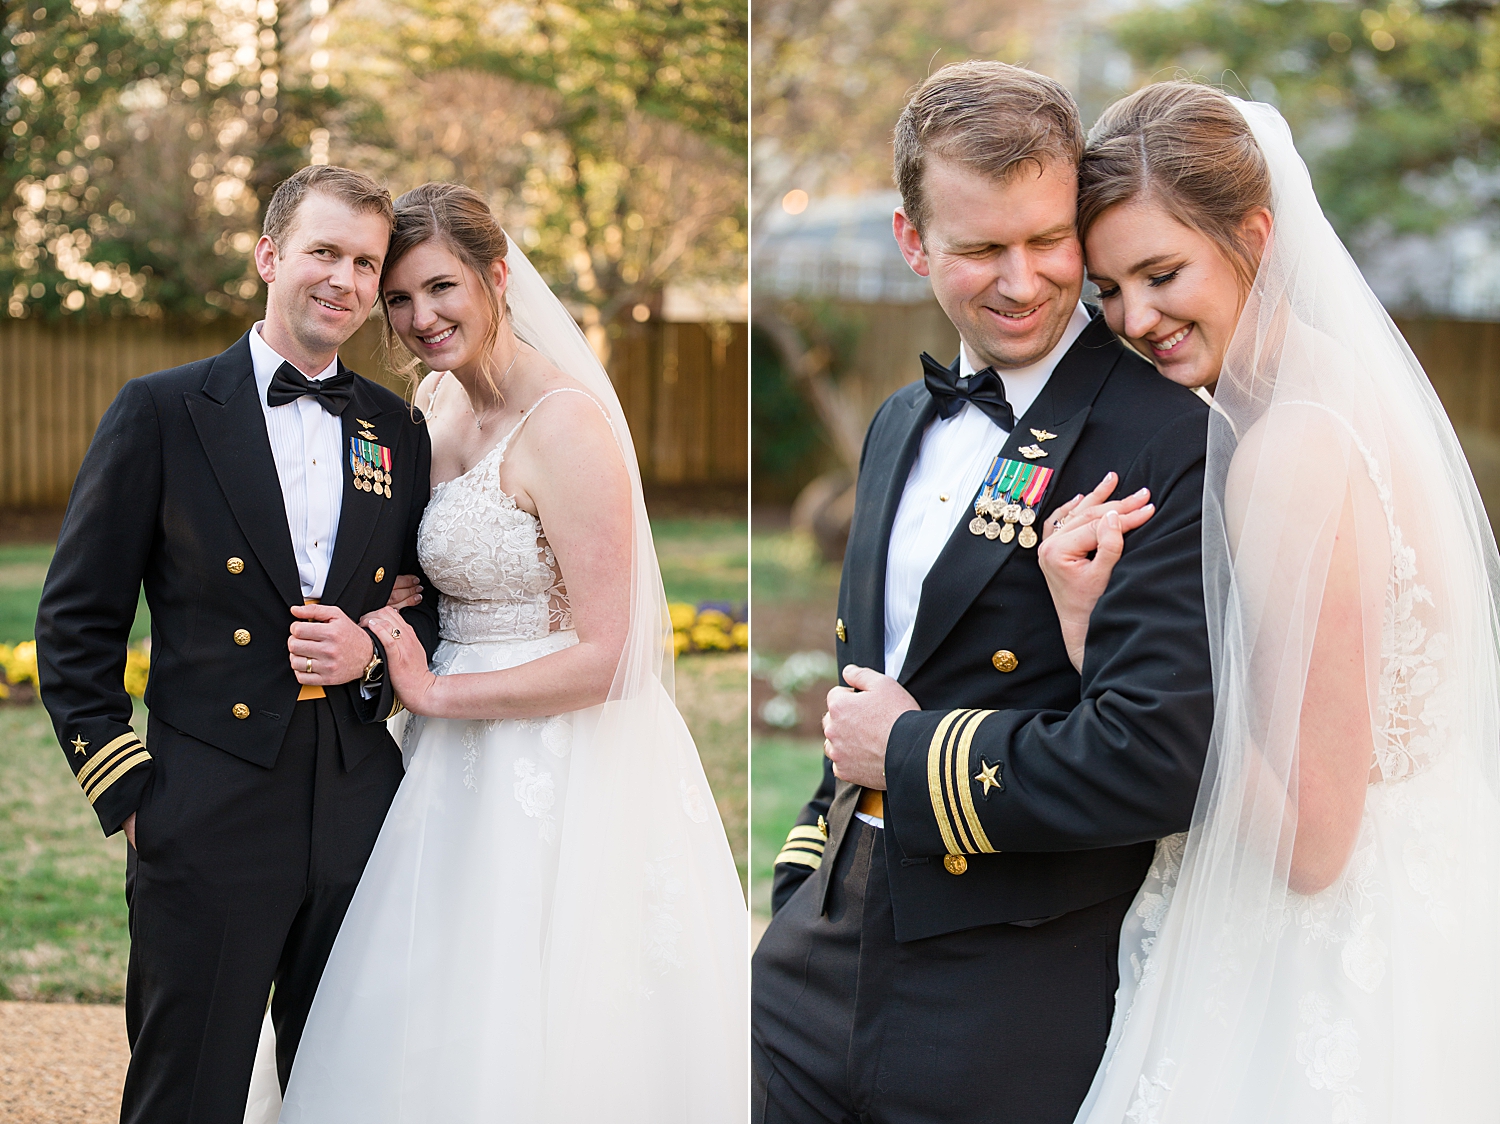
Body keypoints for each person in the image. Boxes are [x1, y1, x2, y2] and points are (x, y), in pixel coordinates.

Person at [751, 61, 1215, 1123]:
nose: (1022, 280)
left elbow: (1157, 757)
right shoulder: (895, 425)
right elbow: (868, 684)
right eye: (979, 249)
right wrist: (799, 888)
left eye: (1047, 240)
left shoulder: (1166, 438)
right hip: (811, 960)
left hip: (1007, 988)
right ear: (915, 243)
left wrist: (907, 754)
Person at [1037, 82, 1500, 1122]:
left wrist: (1094, 630)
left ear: (1255, 234)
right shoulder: (1321, 394)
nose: (1136, 318)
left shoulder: (1292, 445)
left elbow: (1311, 839)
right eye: (1108, 288)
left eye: (1163, 273)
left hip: (1325, 960)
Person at [260, 183, 748, 1122]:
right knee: (431, 1003)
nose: (419, 317)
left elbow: (614, 658)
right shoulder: (434, 408)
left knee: (543, 1013)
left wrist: (434, 696)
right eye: (397, 299)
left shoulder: (565, 423)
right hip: (444, 765)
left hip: (565, 763)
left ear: (495, 276)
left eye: (440, 287)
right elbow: (424, 565)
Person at [34, 165, 441, 1123]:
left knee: (341, 1091)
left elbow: (430, 608)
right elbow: (76, 622)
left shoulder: (397, 428)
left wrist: (374, 653)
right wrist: (132, 795)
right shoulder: (164, 410)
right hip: (207, 800)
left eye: (364, 262)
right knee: (188, 1091)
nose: (343, 279)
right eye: (323, 252)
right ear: (269, 256)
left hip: (355, 802)